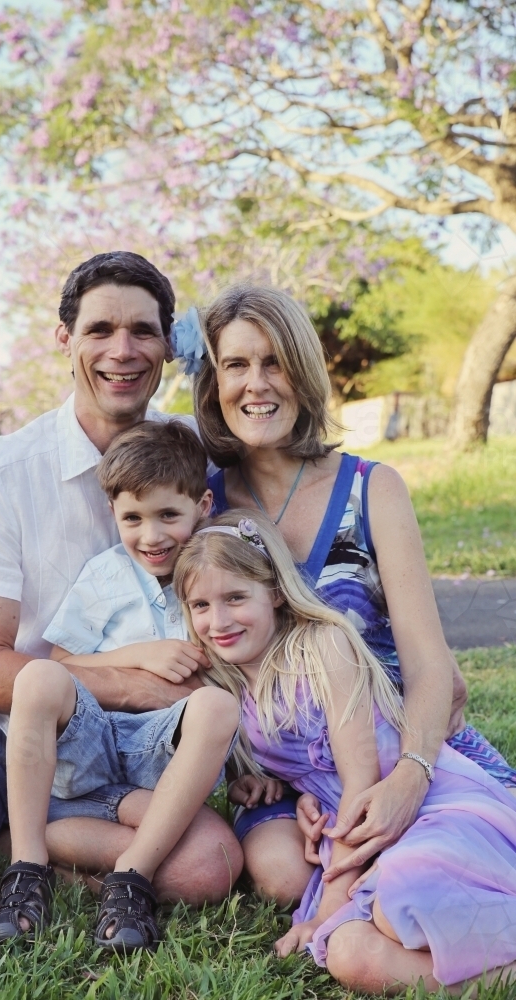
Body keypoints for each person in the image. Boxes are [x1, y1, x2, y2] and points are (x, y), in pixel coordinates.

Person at [0, 252, 243, 914]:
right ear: (64, 339)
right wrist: (131, 683)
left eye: (144, 331)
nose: (123, 350)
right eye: (99, 330)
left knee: (204, 869)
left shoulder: (195, 455)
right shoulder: (1, 471)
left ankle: (9, 836)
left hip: (136, 744)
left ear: (168, 345)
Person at [190, 283, 516, 905]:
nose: (256, 383)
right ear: (213, 385)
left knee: (474, 852)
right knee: (285, 877)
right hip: (287, 770)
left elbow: (428, 664)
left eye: (275, 361)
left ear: (305, 374)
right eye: (236, 365)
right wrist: (260, 777)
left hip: (398, 745)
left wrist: (409, 781)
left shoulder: (373, 489)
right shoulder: (202, 507)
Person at [173, 509, 516, 994]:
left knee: (398, 908)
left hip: (417, 805)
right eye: (200, 605)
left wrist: (327, 910)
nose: (219, 620)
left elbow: (360, 781)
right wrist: (288, 787)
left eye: (235, 597)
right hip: (353, 828)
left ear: (273, 591)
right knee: (349, 954)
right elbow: (303, 768)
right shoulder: (227, 684)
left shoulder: (323, 647)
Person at [0, 418, 227, 944]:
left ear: (203, 507)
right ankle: (27, 866)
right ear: (113, 514)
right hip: (96, 741)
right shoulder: (105, 575)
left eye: (169, 514)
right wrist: (140, 655)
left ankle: (129, 877)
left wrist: (256, 765)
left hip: (159, 758)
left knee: (217, 707)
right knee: (40, 678)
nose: (152, 535)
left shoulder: (217, 578)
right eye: (133, 518)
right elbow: (65, 660)